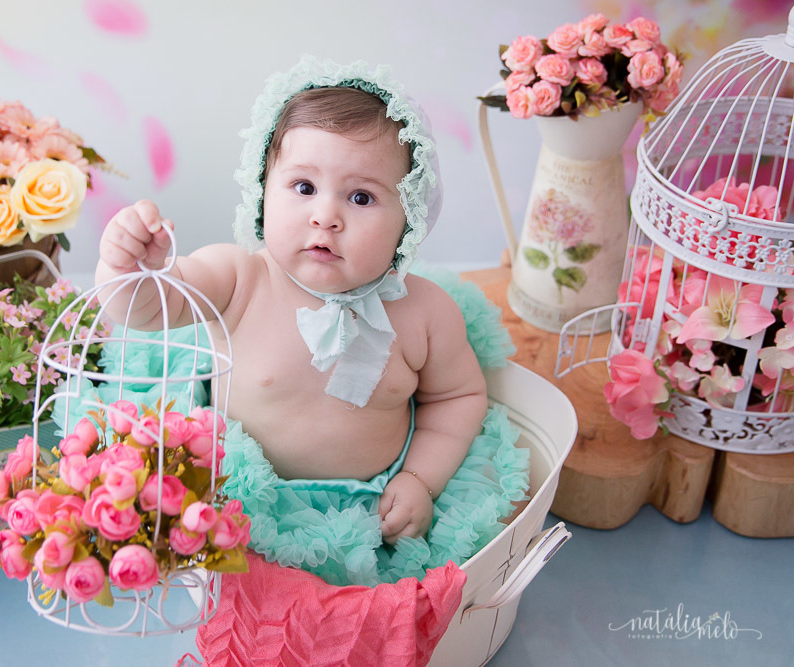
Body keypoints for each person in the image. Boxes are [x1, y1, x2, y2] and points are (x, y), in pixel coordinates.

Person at [95, 57, 527, 586]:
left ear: (409, 219)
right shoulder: (238, 276)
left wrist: (420, 477)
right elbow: (144, 309)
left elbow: (456, 399)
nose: (325, 216)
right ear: (263, 188)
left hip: (368, 516)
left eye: (361, 197)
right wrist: (126, 264)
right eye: (303, 187)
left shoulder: (424, 313)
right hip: (234, 498)